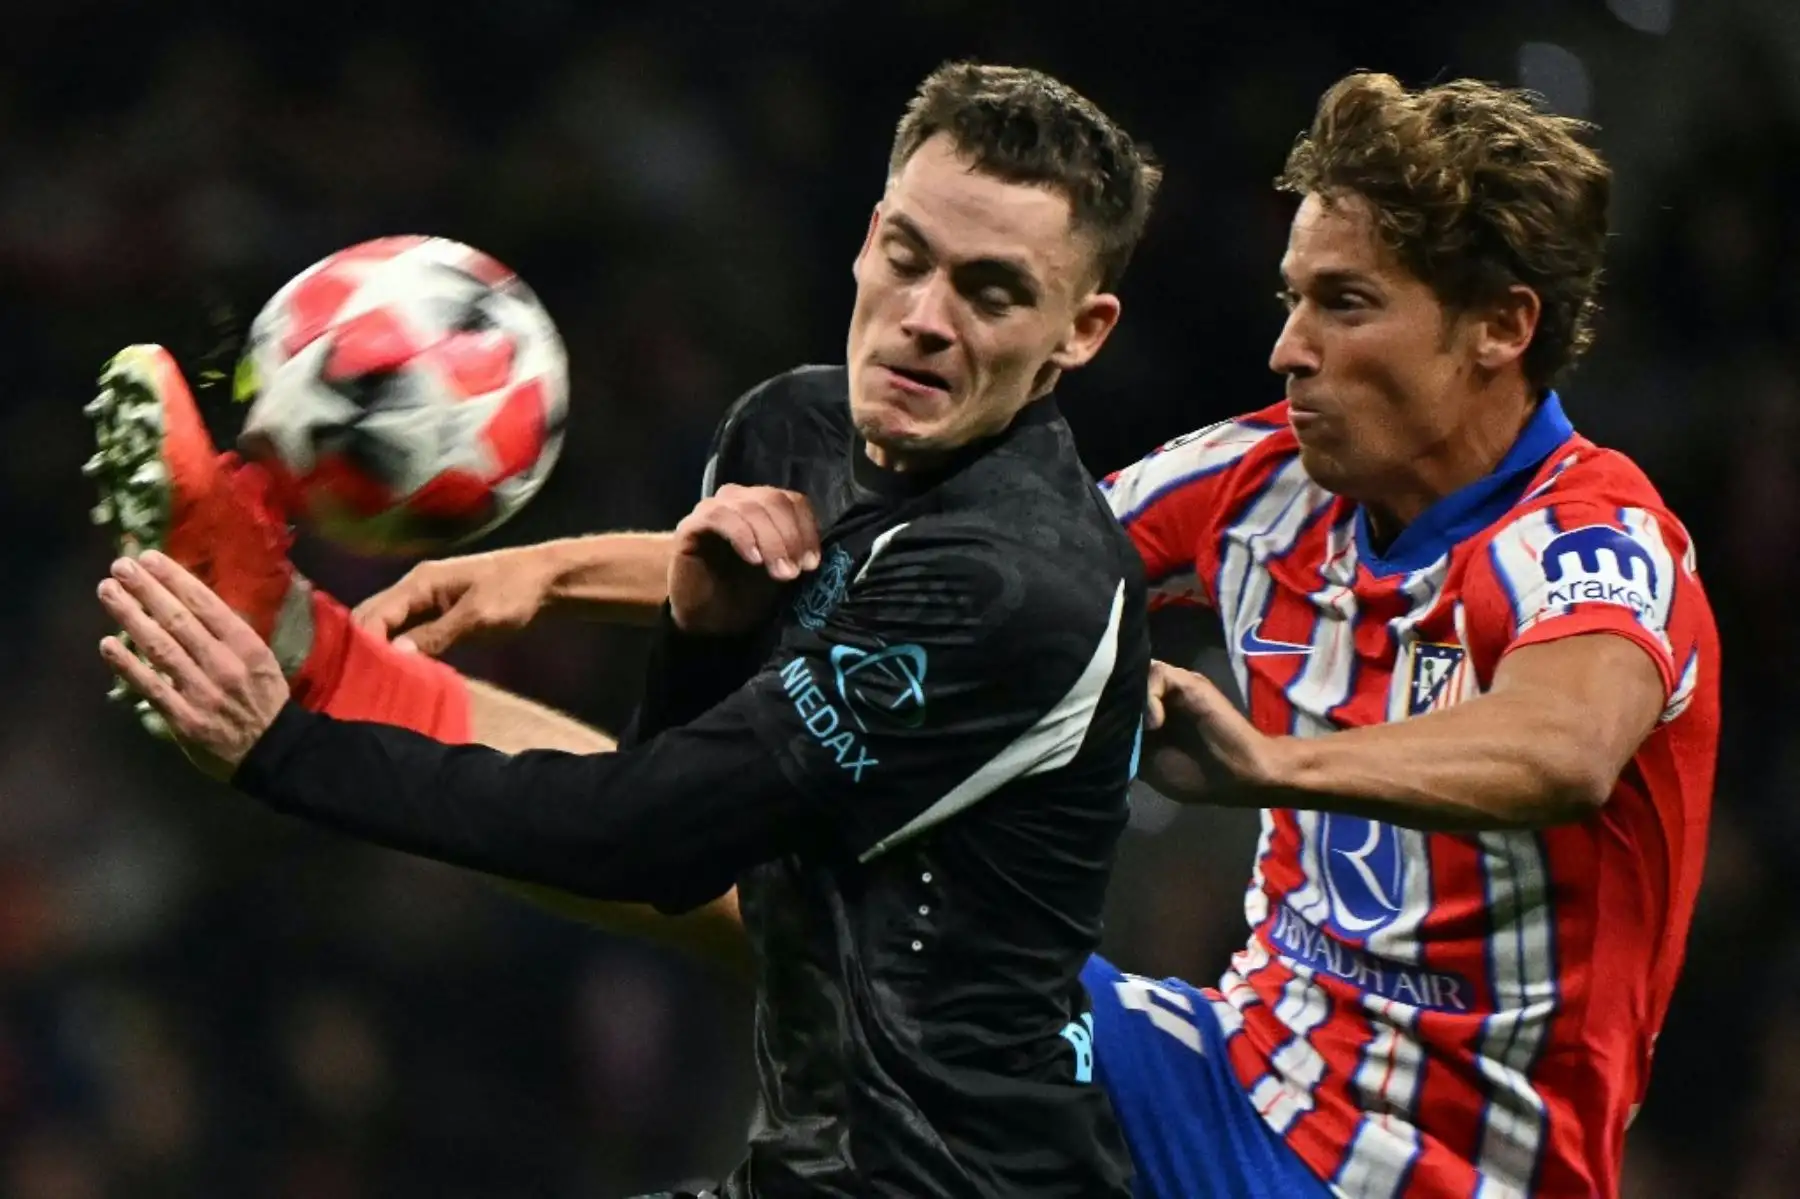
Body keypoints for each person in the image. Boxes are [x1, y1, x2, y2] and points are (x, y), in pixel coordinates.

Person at [92, 71, 1720, 1199]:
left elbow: (1570, 741)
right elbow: (931, 557)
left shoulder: (1592, 539)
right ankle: (297, 635)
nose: (1287, 342)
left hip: (1423, 1172)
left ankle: (304, 680)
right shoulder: (1262, 480)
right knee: (816, 884)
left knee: (752, 849)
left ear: (1500, 330)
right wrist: (558, 568)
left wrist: (1281, 761)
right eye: (1297, 291)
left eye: (1345, 305)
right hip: (1225, 1071)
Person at [90, 61, 1162, 1199]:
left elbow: (643, 836)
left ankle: (304, 650)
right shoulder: (793, 433)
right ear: (868, 234)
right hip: (813, 1157)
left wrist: (283, 752)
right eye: (907, 257)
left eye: (992, 292)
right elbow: (689, 814)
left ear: (1080, 332)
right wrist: (701, 627)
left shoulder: (1016, 578)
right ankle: (303, 633)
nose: (925, 319)